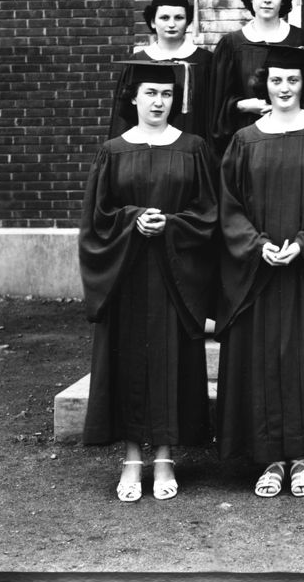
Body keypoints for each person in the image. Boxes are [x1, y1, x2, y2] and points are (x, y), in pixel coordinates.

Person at [214, 45, 304, 498]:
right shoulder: (245, 140)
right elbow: (229, 208)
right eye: (276, 81)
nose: (285, 88)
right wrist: (257, 247)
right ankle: (271, 460)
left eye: (293, 80)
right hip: (260, 274)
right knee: (265, 360)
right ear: (264, 85)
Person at [79, 61, 218, 502]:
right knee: (130, 362)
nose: (159, 101)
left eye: (166, 94)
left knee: (172, 361)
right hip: (128, 275)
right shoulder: (113, 151)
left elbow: (210, 213)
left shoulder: (193, 148)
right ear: (133, 99)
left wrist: (172, 225)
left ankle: (164, 456)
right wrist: (134, 220)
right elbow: (96, 221)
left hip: (176, 276)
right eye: (151, 93)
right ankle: (132, 458)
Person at [209, 0, 304, 154]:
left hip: (294, 139)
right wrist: (243, 106)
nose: (267, 0)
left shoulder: (303, 40)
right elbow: (217, 103)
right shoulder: (232, 44)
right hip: (247, 141)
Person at [107, 0, 214, 140]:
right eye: (164, 18)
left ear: (188, 21)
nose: (171, 24)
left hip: (191, 151)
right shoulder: (137, 62)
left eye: (179, 18)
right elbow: (123, 117)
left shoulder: (205, 61)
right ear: (152, 22)